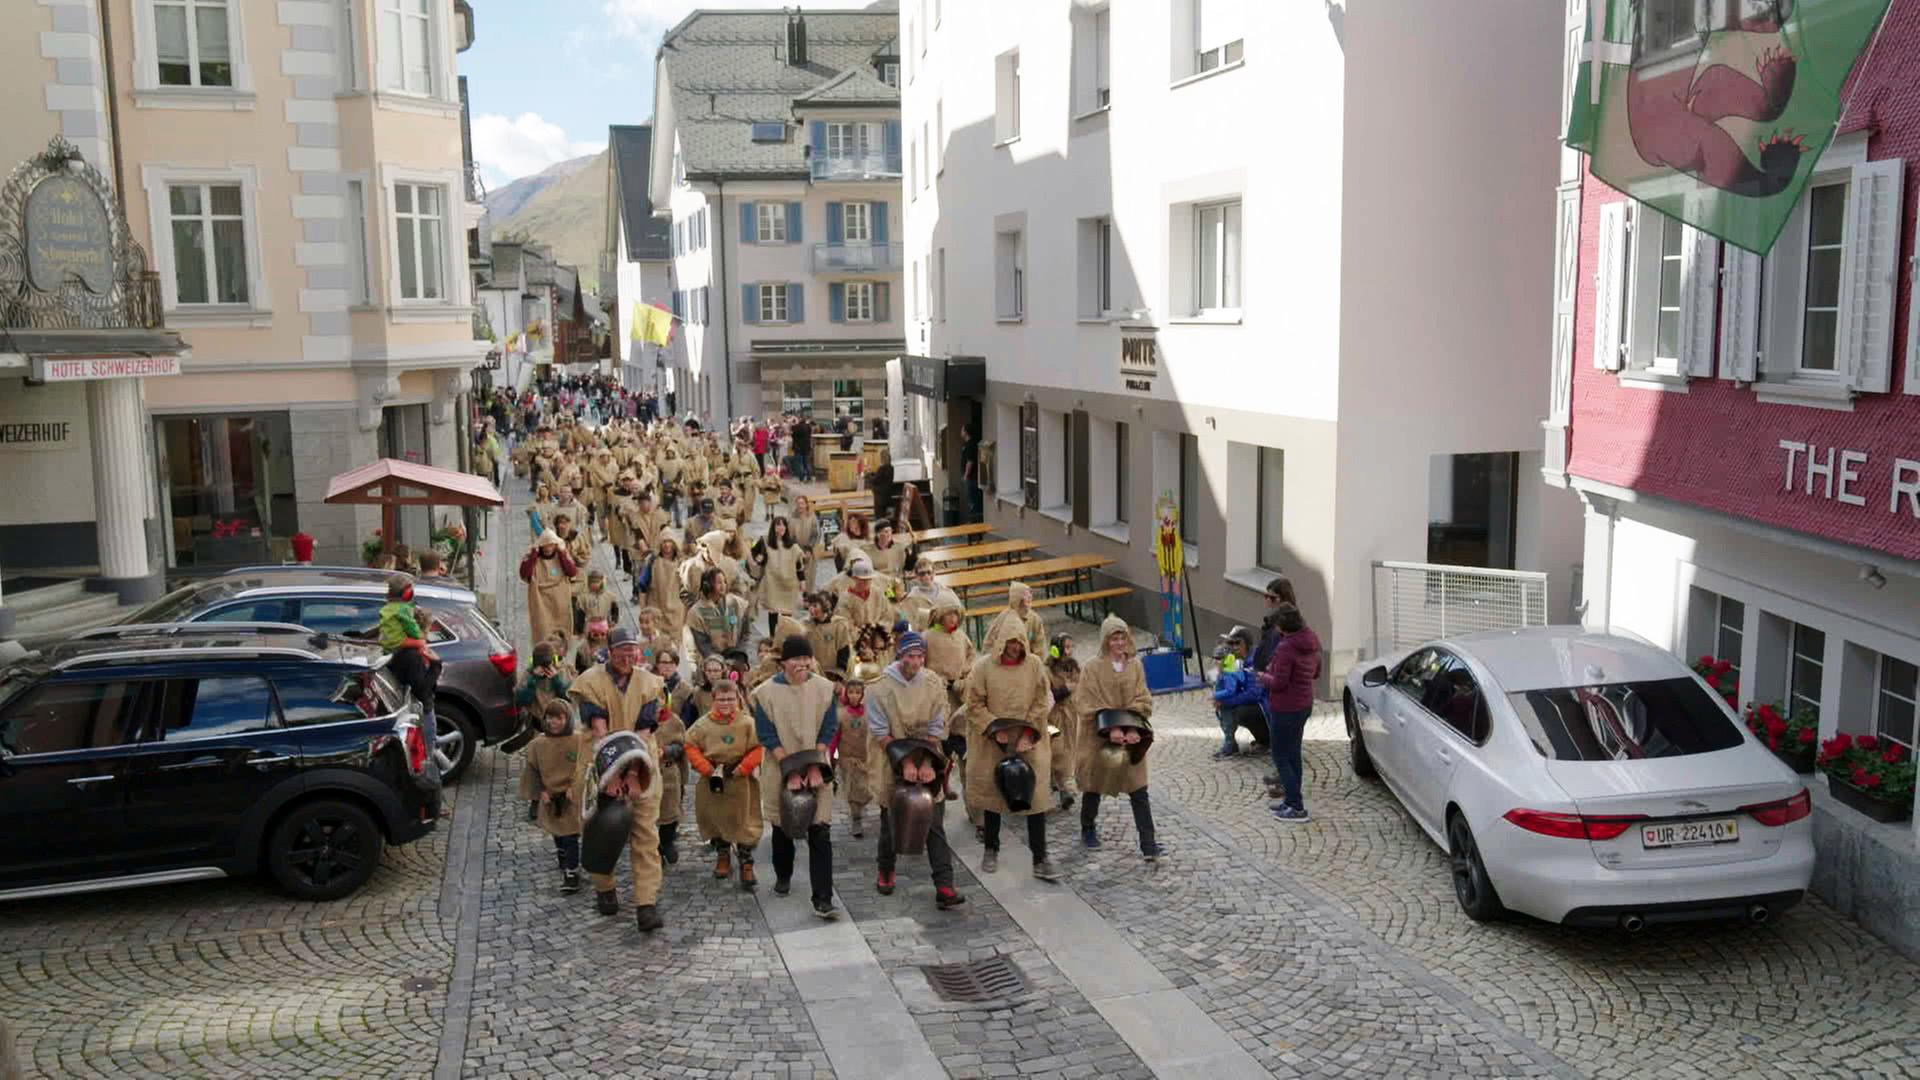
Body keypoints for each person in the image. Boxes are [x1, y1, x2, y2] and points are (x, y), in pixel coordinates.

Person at [569, 627, 668, 932]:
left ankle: (646, 903)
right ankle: (604, 886)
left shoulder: (650, 684)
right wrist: (609, 776)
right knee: (598, 828)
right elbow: (599, 728)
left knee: (645, 835)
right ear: (609, 652)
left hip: (641, 763)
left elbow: (644, 731)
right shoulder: (590, 683)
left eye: (632, 650)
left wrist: (632, 774)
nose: (628, 656)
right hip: (600, 761)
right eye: (621, 650)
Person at [866, 632, 966, 910]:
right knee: (891, 820)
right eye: (910, 656)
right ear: (900, 655)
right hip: (891, 758)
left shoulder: (933, 683)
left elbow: (937, 726)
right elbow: (880, 732)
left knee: (933, 821)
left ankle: (944, 884)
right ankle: (886, 868)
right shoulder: (878, 688)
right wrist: (905, 763)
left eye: (920, 656)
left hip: (928, 756)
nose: (916, 661)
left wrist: (924, 763)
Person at [750, 636, 842, 919]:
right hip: (781, 765)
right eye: (796, 659)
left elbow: (828, 728)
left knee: (820, 830)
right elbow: (767, 735)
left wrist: (815, 766)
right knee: (783, 827)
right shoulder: (765, 694)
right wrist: (790, 771)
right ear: (784, 662)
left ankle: (823, 898)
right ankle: (783, 873)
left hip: (816, 764)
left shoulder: (825, 689)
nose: (802, 664)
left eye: (806, 659)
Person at [963, 620, 1059, 882]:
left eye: (1019, 642)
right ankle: (991, 848)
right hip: (994, 739)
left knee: (1035, 798)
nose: (1015, 647)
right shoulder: (983, 668)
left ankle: (1040, 857)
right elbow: (974, 705)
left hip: (1028, 738)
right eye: (1011, 642)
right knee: (994, 796)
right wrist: (994, 728)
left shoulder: (1035, 666)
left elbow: (1041, 700)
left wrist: (1029, 732)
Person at [1076, 615, 1163, 861]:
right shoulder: (1092, 668)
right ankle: (1088, 827)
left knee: (1139, 790)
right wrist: (1110, 726)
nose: (1119, 642)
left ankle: (1149, 843)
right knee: (1094, 786)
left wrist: (1133, 727)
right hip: (1099, 735)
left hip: (1130, 734)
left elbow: (1143, 696)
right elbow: (1085, 700)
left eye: (1122, 636)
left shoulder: (1134, 665)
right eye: (1114, 637)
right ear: (1106, 640)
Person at [684, 675, 763, 890]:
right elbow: (689, 745)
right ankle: (723, 855)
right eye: (721, 699)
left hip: (741, 781)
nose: (726, 704)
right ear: (713, 700)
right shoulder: (703, 725)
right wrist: (705, 767)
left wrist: (745, 766)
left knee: (745, 820)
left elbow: (758, 747)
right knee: (718, 820)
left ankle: (746, 862)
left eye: (730, 699)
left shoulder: (747, 723)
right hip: (714, 780)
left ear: (737, 699)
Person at [1258, 602, 1322, 824]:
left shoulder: (1286, 647)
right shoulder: (1311, 639)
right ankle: (1292, 802)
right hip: (1303, 704)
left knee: (1280, 755)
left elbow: (1279, 683)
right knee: (1293, 753)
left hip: (1285, 707)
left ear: (1283, 627)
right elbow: (1316, 671)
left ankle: (1295, 805)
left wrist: (1263, 677)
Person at [378, 573, 444, 785]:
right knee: (426, 761)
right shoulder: (412, 655)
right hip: (421, 711)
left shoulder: (395, 649)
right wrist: (436, 665)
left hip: (405, 710)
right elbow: (422, 687)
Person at [518, 699, 589, 892]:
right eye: (550, 717)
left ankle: (572, 873)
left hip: (570, 796)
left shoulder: (578, 740)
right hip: (550, 796)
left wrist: (575, 786)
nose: (554, 722)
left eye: (559, 718)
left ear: (567, 719)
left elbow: (584, 767)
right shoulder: (537, 745)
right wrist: (540, 791)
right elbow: (532, 771)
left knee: (570, 835)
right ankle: (562, 854)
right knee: (558, 832)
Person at [1211, 626, 1269, 759]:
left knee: (1241, 713)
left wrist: (1225, 700)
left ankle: (1266, 741)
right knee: (1228, 709)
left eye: (1237, 643)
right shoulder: (1236, 660)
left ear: (1247, 644)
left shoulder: (1254, 661)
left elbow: (1254, 694)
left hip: (1267, 705)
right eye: (1230, 643)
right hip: (1260, 703)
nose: (1233, 646)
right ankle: (1233, 743)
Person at [520, 530, 578, 654]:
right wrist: (533, 556)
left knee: (563, 631)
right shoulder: (532, 557)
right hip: (541, 602)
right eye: (545, 545)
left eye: (551, 545)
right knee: (543, 631)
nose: (548, 548)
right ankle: (544, 657)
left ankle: (562, 656)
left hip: (560, 601)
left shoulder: (562, 555)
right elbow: (525, 574)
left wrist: (562, 554)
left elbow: (572, 572)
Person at [1045, 634, 1080, 811]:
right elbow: (1048, 695)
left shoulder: (1073, 667)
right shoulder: (1047, 670)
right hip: (1054, 716)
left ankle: (1063, 788)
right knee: (1057, 751)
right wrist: (1065, 690)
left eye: (1070, 647)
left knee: (1069, 749)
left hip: (1071, 715)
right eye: (1065, 647)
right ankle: (1063, 785)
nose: (1069, 651)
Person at [753, 516, 805, 636]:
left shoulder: (793, 545)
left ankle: (786, 636)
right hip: (772, 583)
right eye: (778, 525)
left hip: (789, 584)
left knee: (787, 613)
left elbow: (798, 564)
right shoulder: (765, 541)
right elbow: (753, 551)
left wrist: (802, 580)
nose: (781, 527)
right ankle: (772, 637)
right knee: (773, 611)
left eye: (783, 525)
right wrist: (759, 559)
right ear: (773, 527)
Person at [688, 566, 750, 661]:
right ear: (707, 586)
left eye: (724, 582)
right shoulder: (696, 612)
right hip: (712, 664)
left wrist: (740, 655)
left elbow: (745, 633)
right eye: (719, 582)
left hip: (737, 657)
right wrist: (719, 662)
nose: (723, 585)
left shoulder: (737, 603)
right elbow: (703, 644)